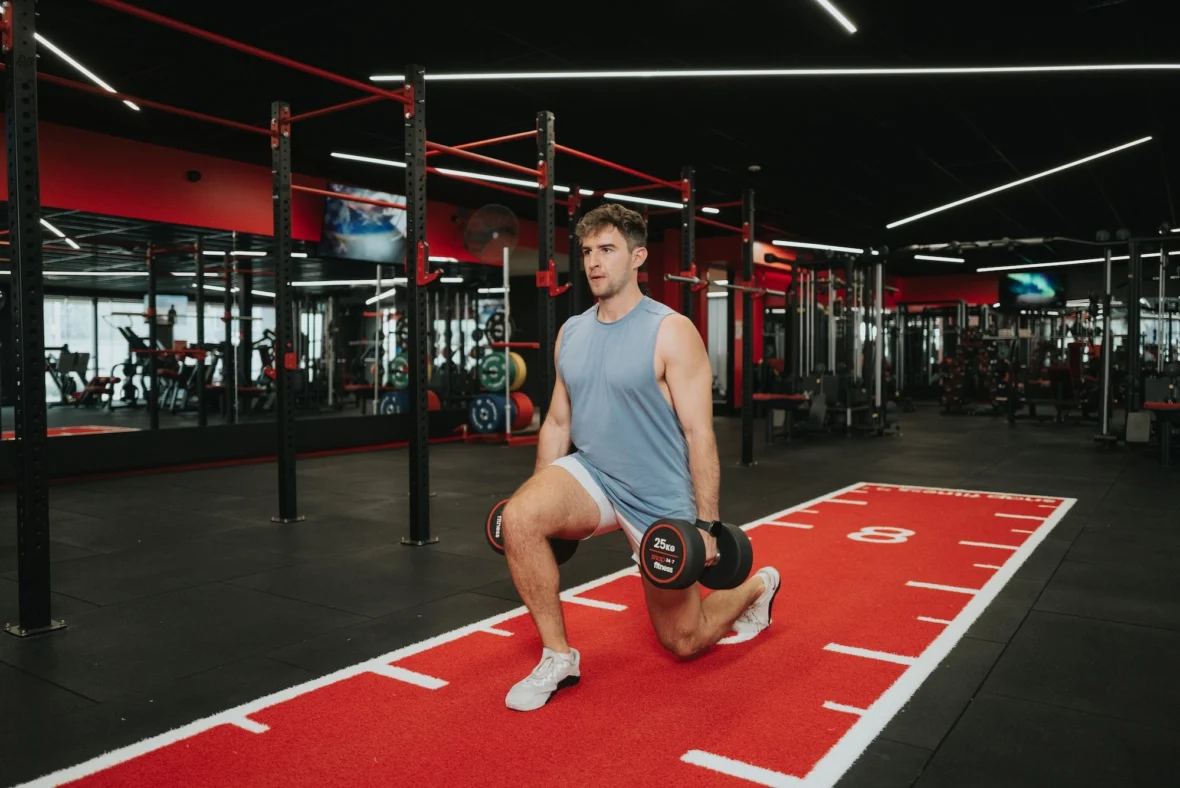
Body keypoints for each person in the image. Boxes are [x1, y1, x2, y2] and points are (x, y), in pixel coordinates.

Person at [499, 203, 780, 712]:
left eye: (607, 250)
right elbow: (559, 422)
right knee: (519, 516)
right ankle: (558, 657)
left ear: (638, 257)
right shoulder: (572, 333)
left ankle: (758, 588)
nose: (594, 263)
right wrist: (543, 507)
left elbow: (699, 433)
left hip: (656, 496)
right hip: (592, 473)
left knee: (684, 640)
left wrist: (708, 526)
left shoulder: (671, 330)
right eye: (587, 252)